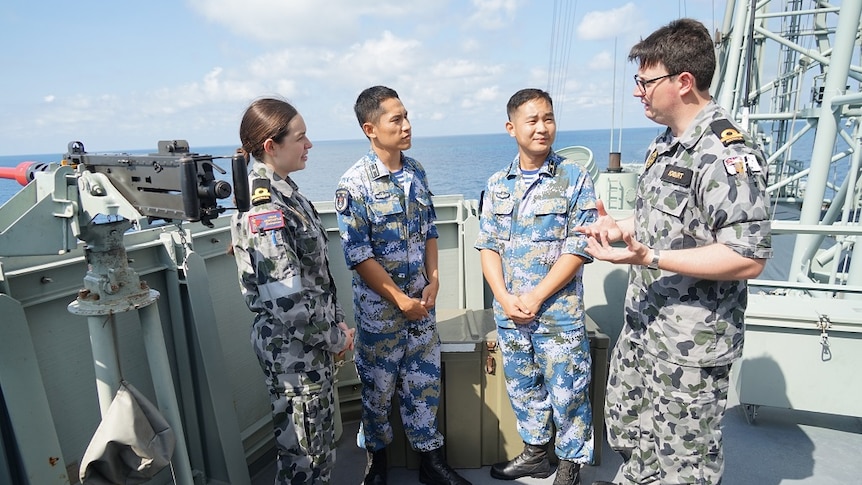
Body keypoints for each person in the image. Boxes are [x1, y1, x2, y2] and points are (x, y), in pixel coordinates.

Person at [576, 19, 772, 485]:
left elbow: (748, 256)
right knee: (631, 435)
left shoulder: (727, 154)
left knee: (684, 464)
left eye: (646, 82)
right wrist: (618, 227)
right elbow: (662, 224)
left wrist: (650, 259)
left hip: (690, 348)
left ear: (683, 82)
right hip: (645, 329)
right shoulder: (667, 144)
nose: (638, 92)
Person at [334, 85, 470, 485]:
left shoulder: (416, 171)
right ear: (370, 128)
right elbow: (358, 256)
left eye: (407, 116)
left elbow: (430, 230)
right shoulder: (354, 183)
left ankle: (431, 462)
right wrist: (399, 300)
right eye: (397, 119)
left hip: (421, 308)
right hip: (381, 314)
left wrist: (434, 280)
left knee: (424, 384)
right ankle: (376, 464)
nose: (407, 125)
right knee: (377, 392)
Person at [475, 88, 597, 485]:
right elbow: (488, 245)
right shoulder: (497, 184)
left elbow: (579, 248)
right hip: (511, 312)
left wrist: (535, 296)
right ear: (511, 128)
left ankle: (570, 463)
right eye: (532, 120)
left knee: (568, 392)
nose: (543, 128)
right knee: (524, 388)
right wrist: (504, 297)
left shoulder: (575, 179)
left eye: (549, 118)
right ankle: (535, 454)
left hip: (557, 314)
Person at [230, 97, 355, 485]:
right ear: (271, 146)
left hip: (307, 344)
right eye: (300, 138)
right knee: (304, 458)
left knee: (317, 447)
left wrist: (333, 324)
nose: (309, 144)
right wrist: (336, 338)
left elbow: (313, 277)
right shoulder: (265, 207)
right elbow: (286, 299)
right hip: (294, 351)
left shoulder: (286, 193)